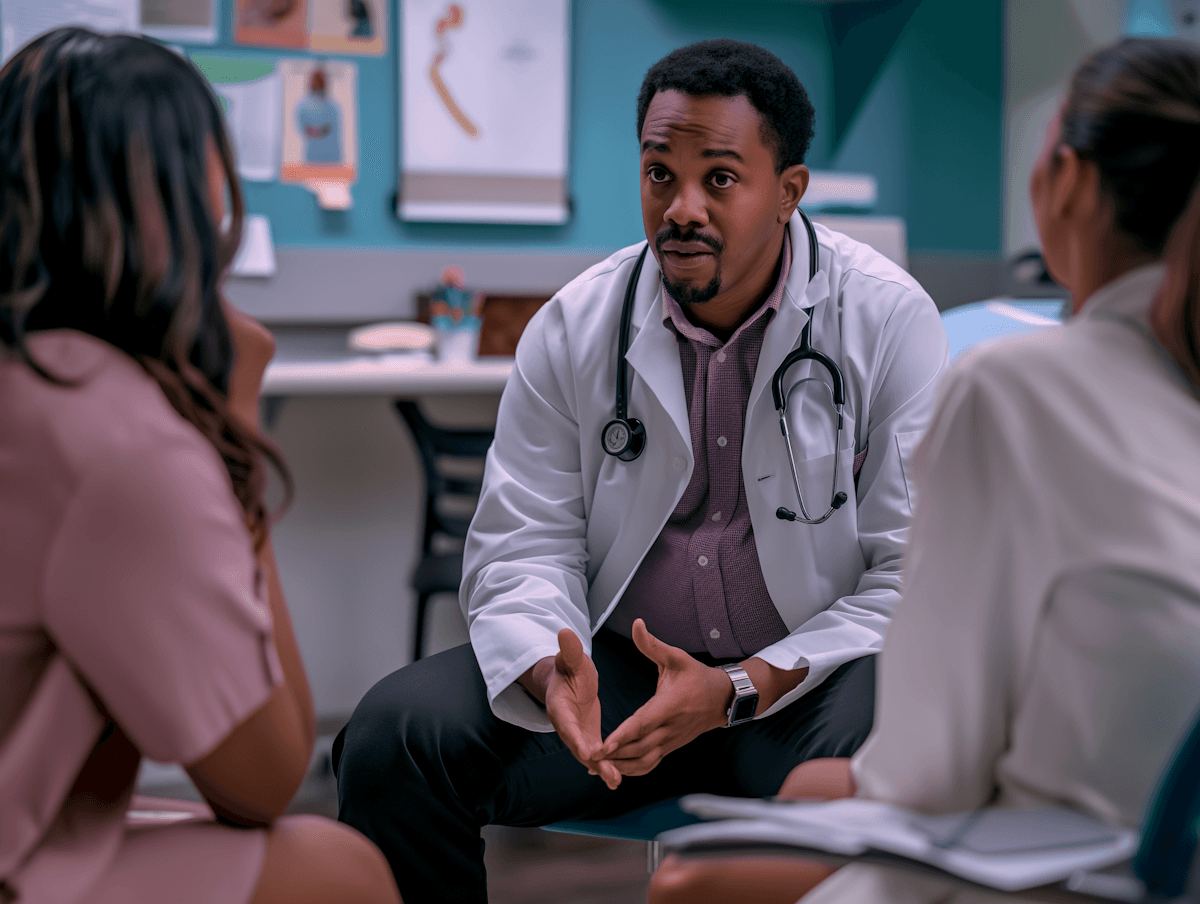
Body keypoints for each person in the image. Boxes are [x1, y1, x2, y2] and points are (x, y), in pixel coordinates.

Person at [335, 39, 949, 904]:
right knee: (398, 735)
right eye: (660, 174)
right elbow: (523, 542)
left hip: (809, 682)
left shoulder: (885, 320)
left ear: (789, 192)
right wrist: (554, 670)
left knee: (896, 744)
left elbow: (911, 577)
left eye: (721, 178)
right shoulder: (575, 327)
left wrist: (737, 687)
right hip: (622, 686)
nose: (682, 208)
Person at [649, 35, 1200, 904]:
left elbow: (932, 772)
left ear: (1069, 180)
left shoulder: (1017, 383)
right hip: (1168, 835)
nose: (684, 210)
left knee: (689, 882)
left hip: (1076, 865)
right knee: (806, 790)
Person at [0, 28, 400, 904]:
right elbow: (259, 779)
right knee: (343, 871)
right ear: (181, 206)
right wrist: (226, 430)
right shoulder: (121, 440)